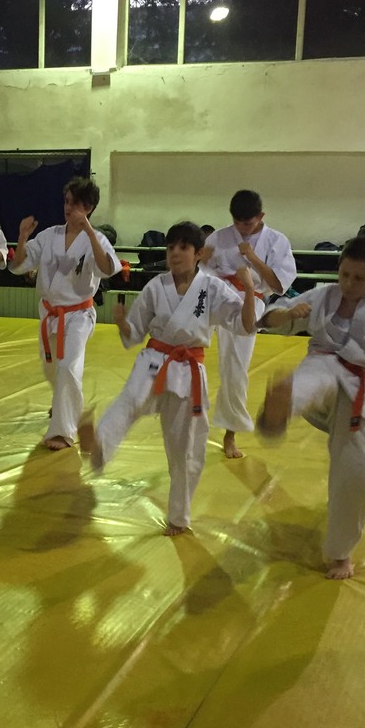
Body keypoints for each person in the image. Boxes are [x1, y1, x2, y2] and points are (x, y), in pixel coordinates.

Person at [77, 222, 257, 536]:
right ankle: (99, 447)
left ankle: (179, 516)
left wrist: (250, 290)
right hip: (154, 359)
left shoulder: (212, 288)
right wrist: (122, 324)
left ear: (198, 254)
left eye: (183, 247)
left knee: (184, 444)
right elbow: (135, 332)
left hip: (189, 369)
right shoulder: (155, 286)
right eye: (171, 247)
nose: (175, 253)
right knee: (129, 401)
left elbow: (243, 324)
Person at [256, 235, 365, 579]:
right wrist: (287, 314)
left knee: (359, 470)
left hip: (362, 385)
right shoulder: (324, 294)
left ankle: (340, 553)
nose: (348, 283)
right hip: (323, 364)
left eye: (360, 278)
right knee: (311, 378)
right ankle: (279, 410)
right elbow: (268, 318)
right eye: (344, 274)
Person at [12, 176, 119, 450]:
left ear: (89, 207)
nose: (68, 208)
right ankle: (66, 404)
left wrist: (90, 232)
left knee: (69, 367)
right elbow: (19, 265)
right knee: (52, 369)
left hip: (79, 315)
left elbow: (107, 269)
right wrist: (22, 237)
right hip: (49, 313)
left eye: (76, 204)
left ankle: (62, 431)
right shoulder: (49, 235)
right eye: (67, 201)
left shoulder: (97, 239)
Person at [200, 188, 296, 459]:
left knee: (235, 366)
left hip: (250, 301)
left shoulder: (276, 241)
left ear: (261, 216)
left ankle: (230, 432)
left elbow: (278, 285)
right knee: (183, 347)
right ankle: (187, 415)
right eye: (237, 222)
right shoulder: (219, 237)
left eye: (248, 223)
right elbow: (202, 271)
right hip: (216, 297)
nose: (242, 228)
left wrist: (253, 259)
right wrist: (200, 260)